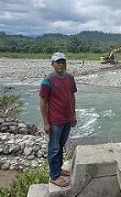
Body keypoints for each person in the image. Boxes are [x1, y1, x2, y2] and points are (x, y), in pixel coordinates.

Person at [39, 52, 77, 187]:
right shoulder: (47, 80)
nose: (61, 64)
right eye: (58, 62)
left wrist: (73, 115)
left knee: (61, 145)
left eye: (63, 62)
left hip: (67, 119)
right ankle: (54, 176)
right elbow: (43, 101)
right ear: (52, 64)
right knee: (54, 148)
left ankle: (58, 168)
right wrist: (45, 122)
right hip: (55, 120)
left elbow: (72, 97)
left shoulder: (70, 78)